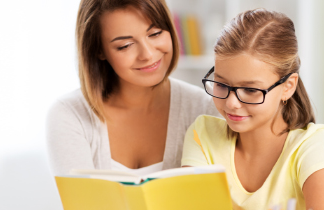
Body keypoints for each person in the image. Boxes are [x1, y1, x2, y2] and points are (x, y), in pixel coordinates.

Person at [181, 9, 324, 210]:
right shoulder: (203, 134)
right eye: (222, 85)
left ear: (288, 86)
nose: (232, 103)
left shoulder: (311, 145)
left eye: (250, 90)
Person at [47, 0, 218, 177]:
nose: (148, 54)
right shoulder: (70, 115)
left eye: (155, 33)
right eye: (125, 45)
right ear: (99, 50)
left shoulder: (206, 109)